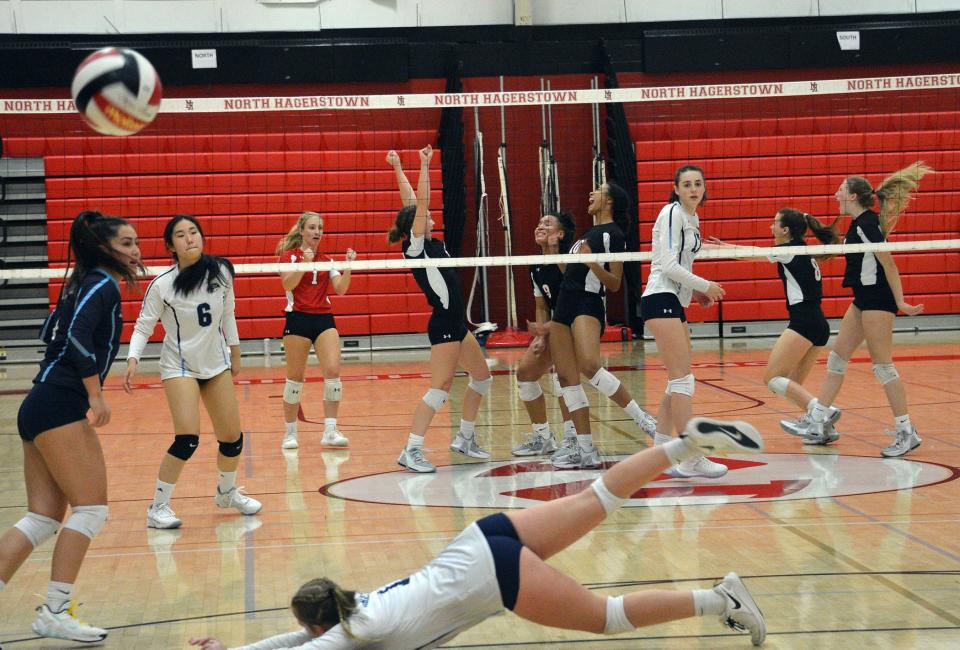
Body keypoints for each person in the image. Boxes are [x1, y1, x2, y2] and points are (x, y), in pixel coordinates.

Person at [189, 417, 767, 650]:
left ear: (320, 625)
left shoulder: (358, 632)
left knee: (607, 616)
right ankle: (687, 444)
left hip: (491, 576)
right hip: (478, 540)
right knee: (599, 497)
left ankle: (720, 600)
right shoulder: (356, 611)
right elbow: (293, 645)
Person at [0, 211, 141, 643]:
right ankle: (55, 611)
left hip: (39, 402)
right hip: (60, 402)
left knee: (43, 518)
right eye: (128, 244)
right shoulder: (103, 283)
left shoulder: (84, 280)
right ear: (104, 248)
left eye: (137, 243)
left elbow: (56, 332)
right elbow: (77, 337)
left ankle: (54, 611)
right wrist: (95, 394)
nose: (137, 252)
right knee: (91, 509)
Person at [124, 214, 262, 529]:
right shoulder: (163, 284)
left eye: (194, 232)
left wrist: (236, 351)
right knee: (187, 439)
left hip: (216, 363)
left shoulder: (222, 270)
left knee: (232, 440)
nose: (190, 239)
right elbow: (144, 325)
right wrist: (132, 358)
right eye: (182, 235)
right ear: (170, 245)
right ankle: (158, 508)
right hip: (179, 365)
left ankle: (226, 492)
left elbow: (229, 313)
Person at [785, 162, 930, 457]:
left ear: (852, 196)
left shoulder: (866, 225)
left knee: (883, 366)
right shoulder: (859, 223)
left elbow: (888, 262)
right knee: (837, 358)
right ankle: (819, 421)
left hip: (878, 300)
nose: (836, 192)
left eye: (841, 188)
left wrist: (900, 302)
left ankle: (906, 431)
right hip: (863, 298)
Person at [386, 146, 493, 473]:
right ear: (413, 226)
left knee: (482, 378)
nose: (429, 214)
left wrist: (398, 167)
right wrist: (423, 164)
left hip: (457, 324)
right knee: (440, 388)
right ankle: (411, 449)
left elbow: (409, 200)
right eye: (423, 214)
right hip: (444, 324)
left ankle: (465, 437)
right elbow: (418, 202)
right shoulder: (415, 247)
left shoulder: (434, 243)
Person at [549, 182, 658, 469]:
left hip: (587, 303)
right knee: (565, 378)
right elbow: (570, 271)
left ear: (608, 201)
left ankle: (642, 418)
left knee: (589, 365)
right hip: (563, 305)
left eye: (596, 190)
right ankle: (585, 449)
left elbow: (614, 282)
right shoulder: (586, 234)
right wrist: (554, 249)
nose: (590, 193)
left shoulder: (613, 234)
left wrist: (593, 263)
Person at [640, 165, 728, 479]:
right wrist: (705, 285)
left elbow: (682, 265)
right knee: (682, 380)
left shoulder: (692, 218)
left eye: (698, 184)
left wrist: (695, 293)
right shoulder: (672, 212)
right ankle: (689, 456)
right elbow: (666, 264)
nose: (693, 189)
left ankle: (660, 456)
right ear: (676, 189)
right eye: (687, 184)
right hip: (659, 298)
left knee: (676, 382)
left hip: (673, 302)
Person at [757, 209, 844, 435]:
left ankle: (821, 411)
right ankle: (822, 427)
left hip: (804, 321)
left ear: (785, 230)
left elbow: (749, 255)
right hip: (818, 323)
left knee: (772, 378)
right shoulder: (804, 250)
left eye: (774, 223)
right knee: (793, 383)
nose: (771, 227)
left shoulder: (788, 249)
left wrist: (717, 248)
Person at [276, 211, 357, 450]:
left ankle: (330, 431)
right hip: (297, 319)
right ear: (302, 231)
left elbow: (340, 289)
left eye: (320, 228)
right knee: (295, 379)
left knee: (333, 372)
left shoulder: (327, 259)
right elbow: (287, 284)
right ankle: (290, 433)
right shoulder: (288, 257)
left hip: (323, 319)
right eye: (312, 227)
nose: (317, 232)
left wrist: (349, 267)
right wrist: (305, 263)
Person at [511, 211, 578, 456]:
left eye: (547, 224)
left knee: (563, 379)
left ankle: (572, 438)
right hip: (555, 327)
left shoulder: (569, 259)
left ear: (560, 234)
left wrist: (546, 329)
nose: (540, 226)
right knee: (525, 374)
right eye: (539, 222)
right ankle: (543, 437)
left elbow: (572, 304)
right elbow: (542, 306)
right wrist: (540, 336)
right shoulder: (535, 264)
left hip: (577, 326)